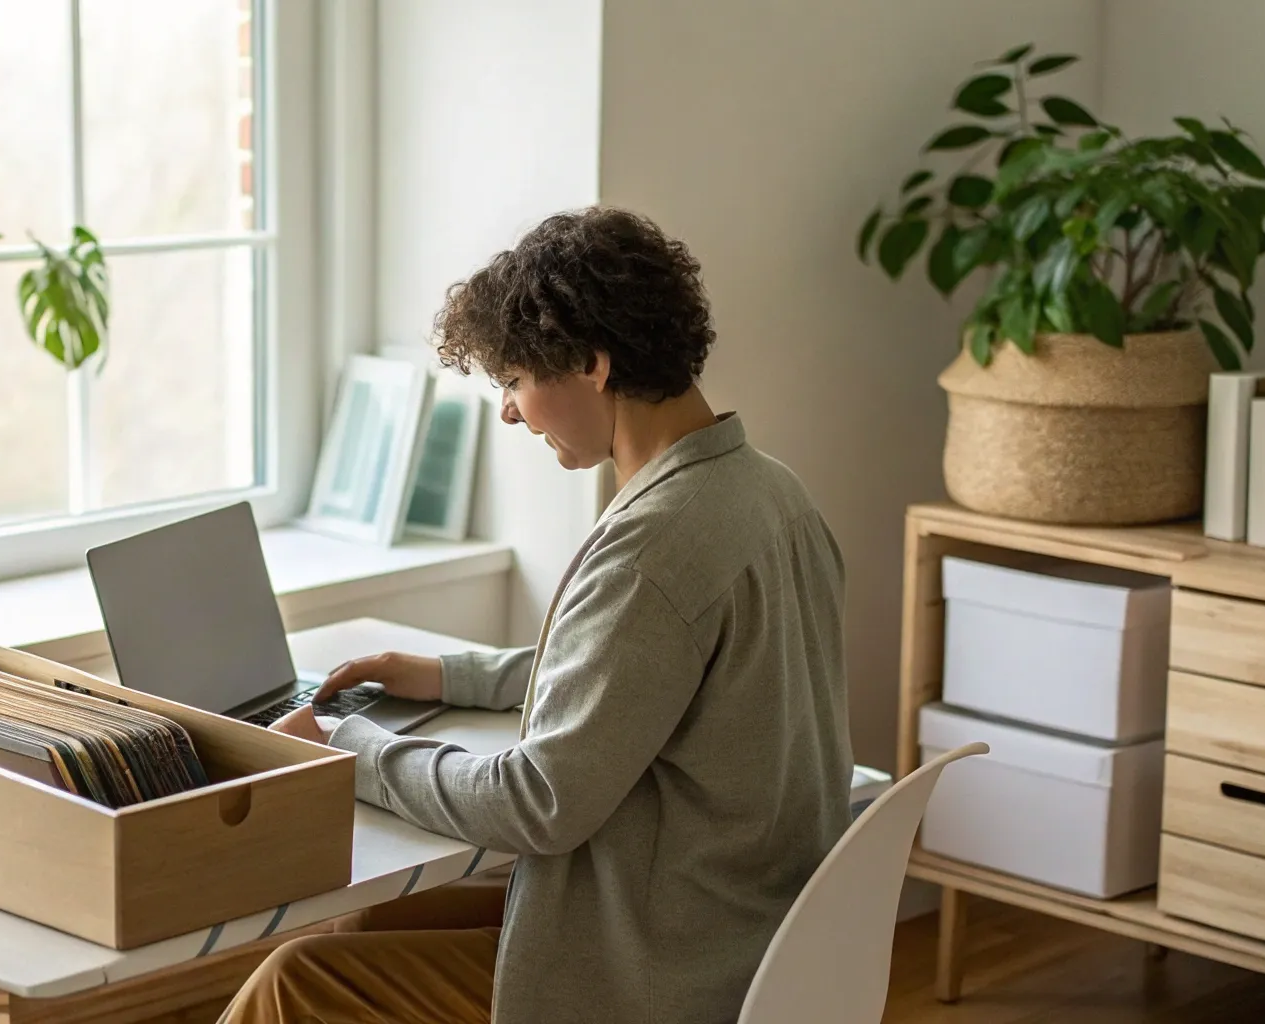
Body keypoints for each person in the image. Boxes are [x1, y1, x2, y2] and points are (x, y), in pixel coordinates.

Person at [225, 207, 852, 1024]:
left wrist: (348, 748)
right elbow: (648, 670)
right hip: (749, 931)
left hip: (660, 974)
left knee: (298, 979)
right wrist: (455, 675)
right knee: (371, 921)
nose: (511, 413)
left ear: (592, 365)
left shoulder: (652, 548)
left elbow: (537, 802)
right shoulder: (770, 494)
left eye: (516, 380)